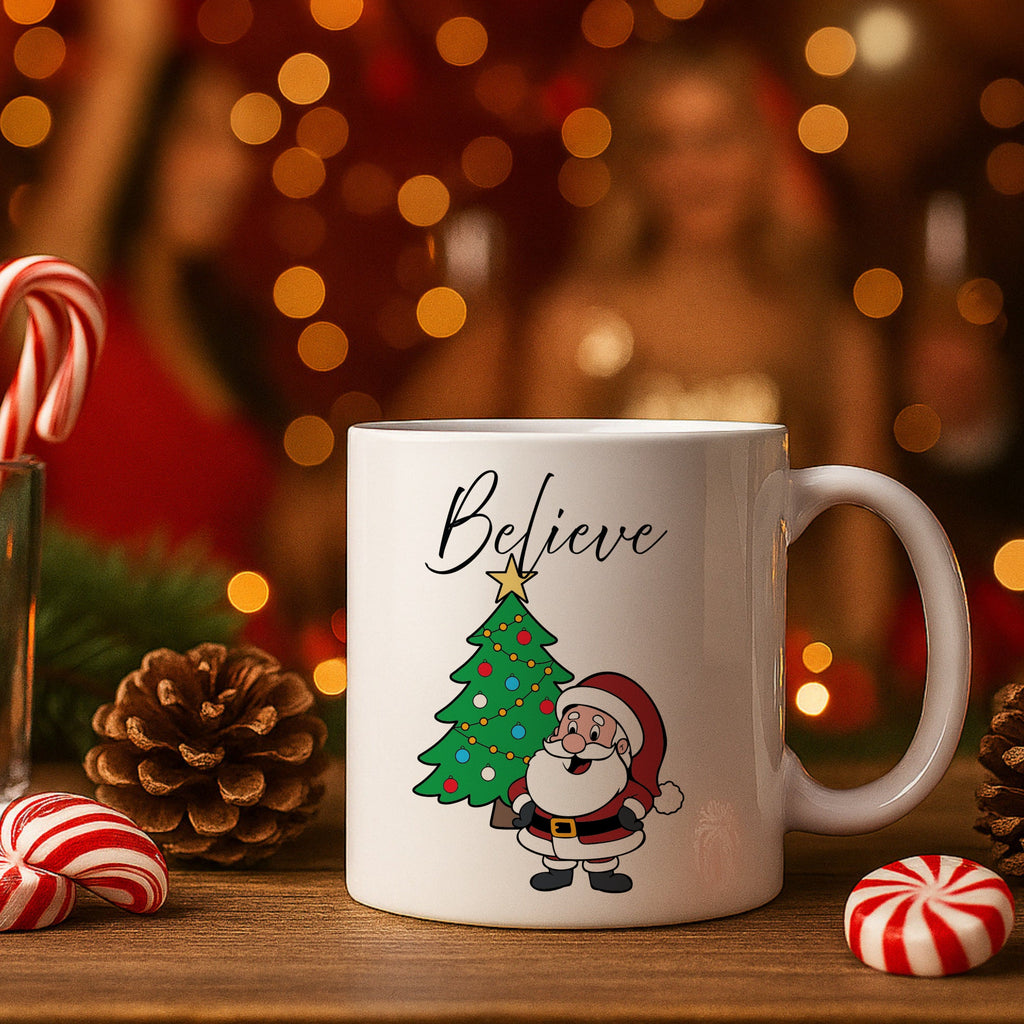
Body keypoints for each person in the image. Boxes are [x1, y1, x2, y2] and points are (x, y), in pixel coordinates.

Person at [394, 36, 896, 666]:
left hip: (792, 677)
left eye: (716, 139)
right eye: (664, 144)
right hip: (618, 675)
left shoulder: (831, 335)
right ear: (636, 165)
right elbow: (545, 527)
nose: (693, 169)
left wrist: (864, 671)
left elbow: (860, 526)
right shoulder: (575, 322)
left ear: (765, 151)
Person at [7, 0, 291, 629]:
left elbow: (293, 541)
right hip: (111, 709)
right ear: (138, 136)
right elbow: (129, 54)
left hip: (259, 701)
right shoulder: (66, 308)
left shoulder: (225, 331)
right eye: (197, 131)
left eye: (237, 140)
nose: (233, 166)